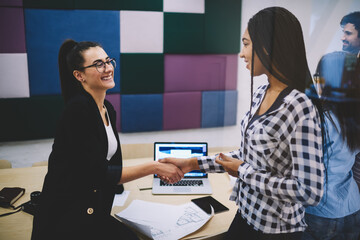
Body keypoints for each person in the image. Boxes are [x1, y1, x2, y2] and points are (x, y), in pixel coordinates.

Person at [160, 7, 324, 240]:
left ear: (269, 46)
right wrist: (191, 163)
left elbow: (310, 191)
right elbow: (248, 156)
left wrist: (243, 171)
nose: (241, 53)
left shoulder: (299, 105)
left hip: (273, 232)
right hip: (246, 216)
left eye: (246, 44)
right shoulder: (261, 92)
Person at [31, 39, 184, 240]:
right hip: (67, 217)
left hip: (94, 209)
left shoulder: (107, 110)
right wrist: (154, 167)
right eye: (98, 64)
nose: (108, 68)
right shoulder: (77, 112)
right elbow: (97, 174)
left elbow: (108, 164)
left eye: (108, 61)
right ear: (79, 75)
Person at [303, 51, 360, 239]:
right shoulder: (354, 117)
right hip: (352, 205)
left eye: (319, 76)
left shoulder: (321, 120)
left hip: (321, 211)